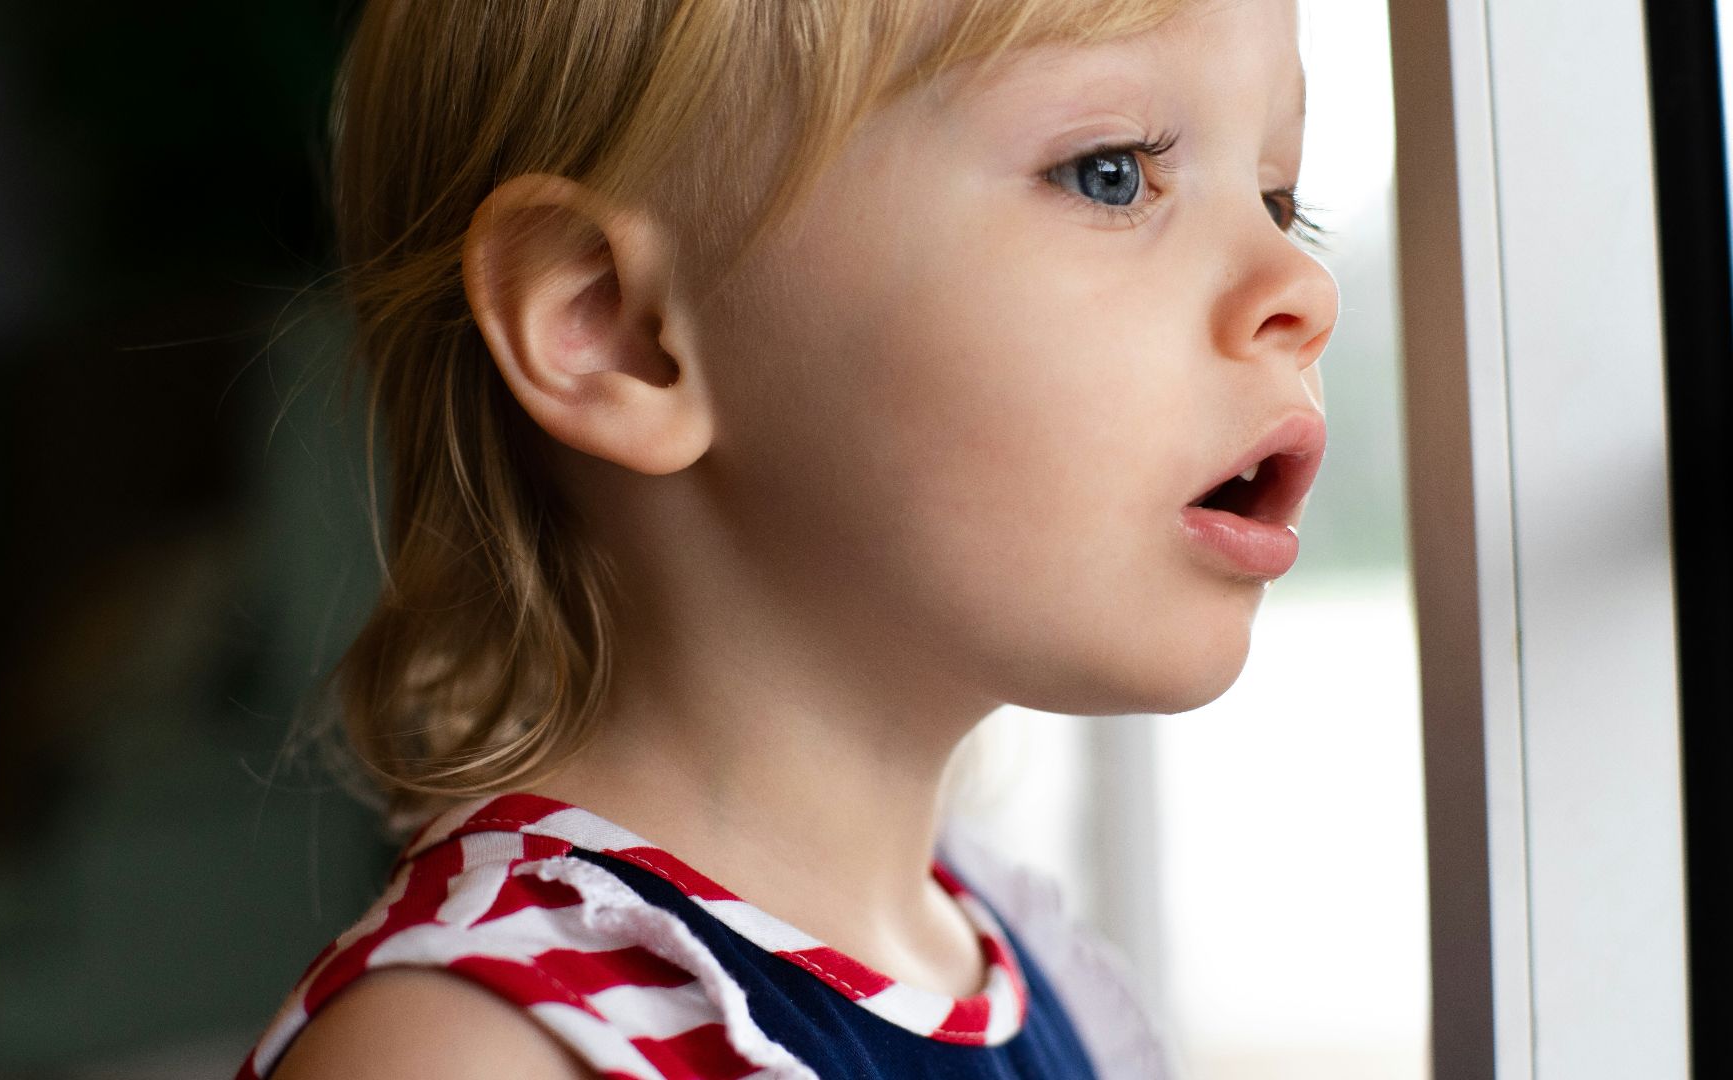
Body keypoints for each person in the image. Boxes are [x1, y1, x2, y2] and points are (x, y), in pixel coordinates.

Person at [237, 0, 1337, 1075]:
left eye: (1278, 201)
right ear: (617, 326)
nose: (1304, 289)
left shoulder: (1042, 974)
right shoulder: (487, 1049)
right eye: (1110, 172)